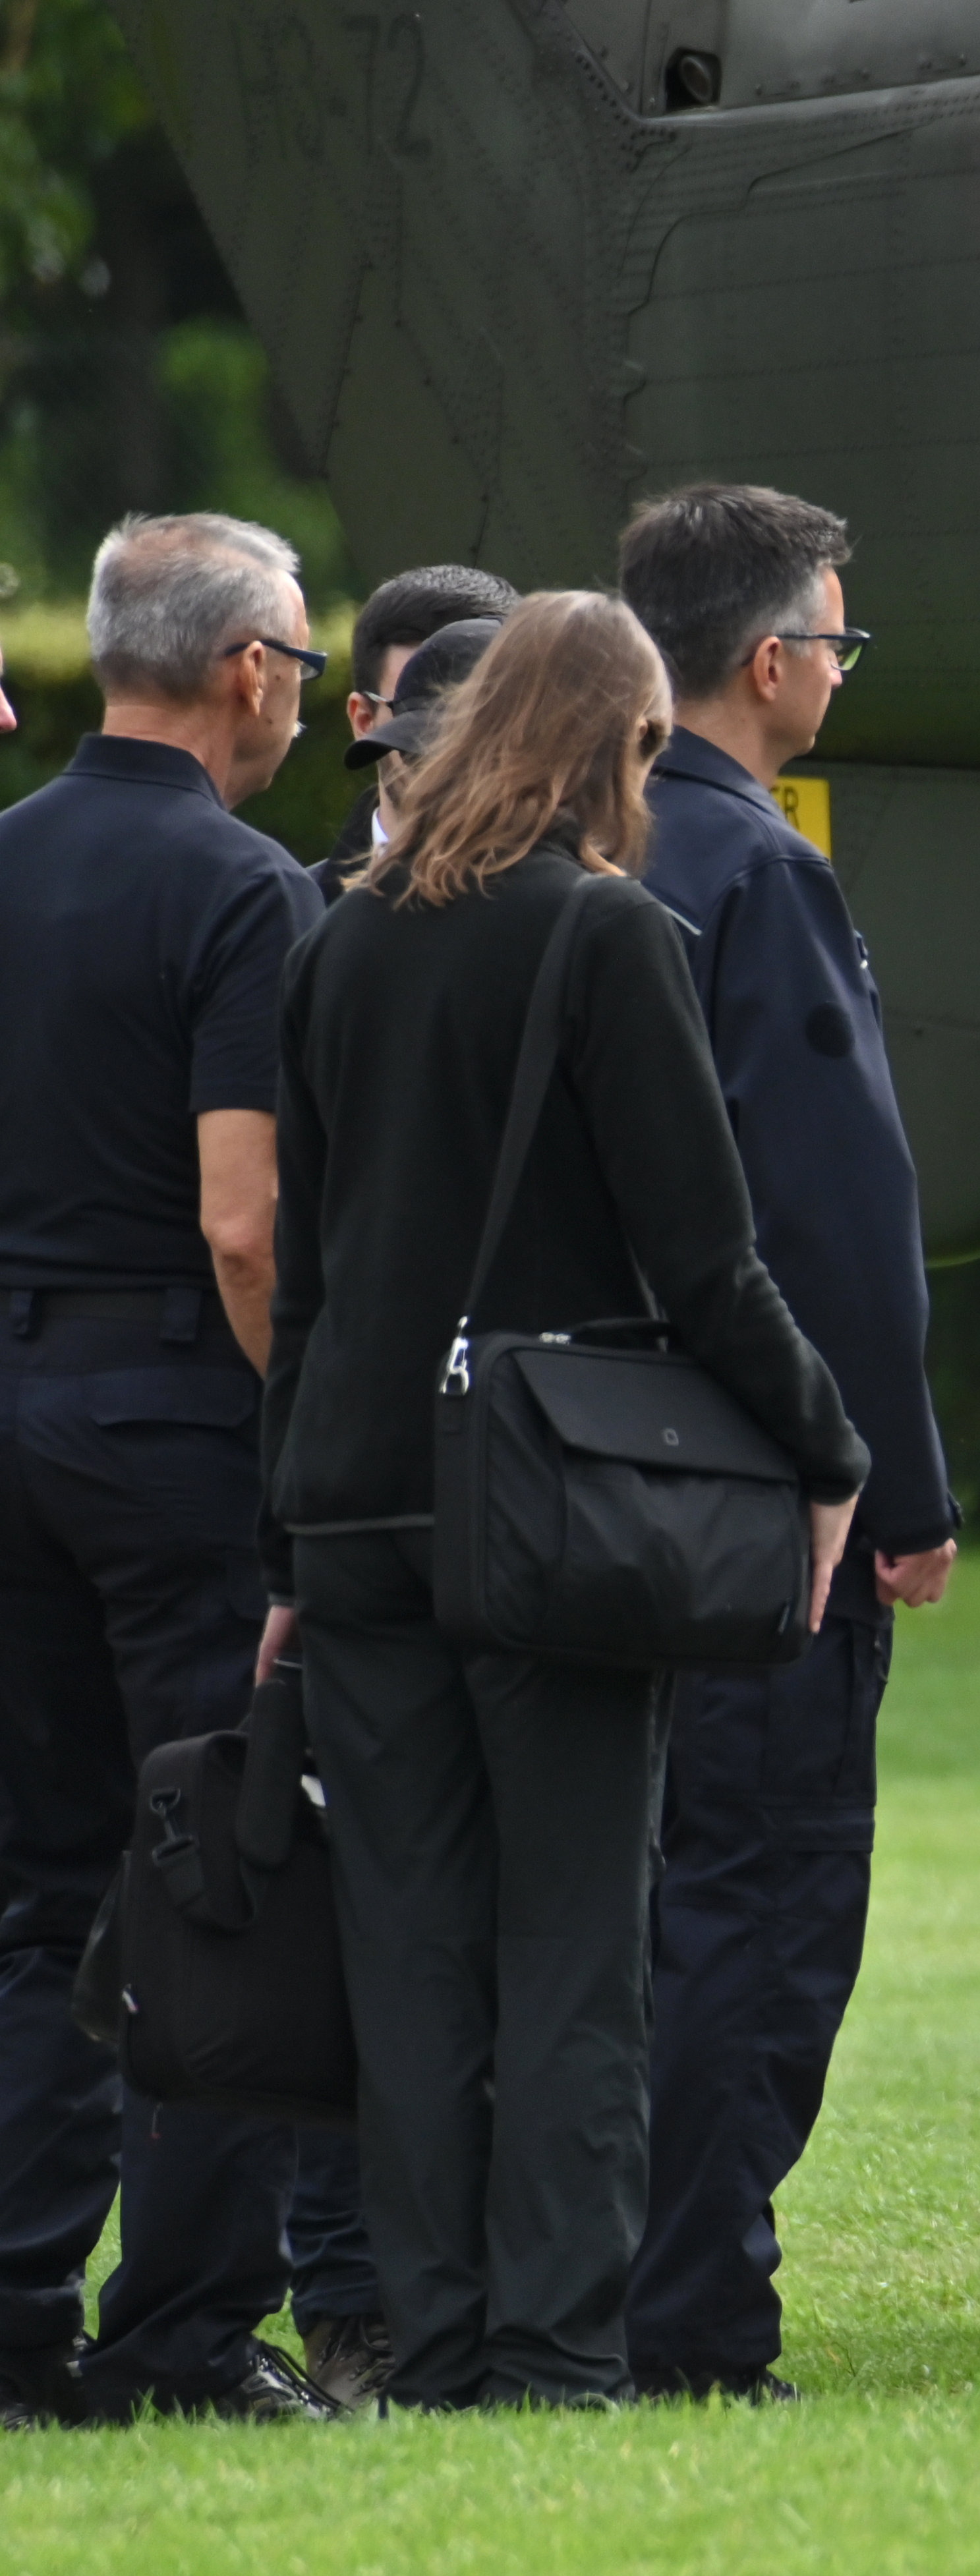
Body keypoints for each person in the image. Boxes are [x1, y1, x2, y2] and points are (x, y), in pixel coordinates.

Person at [262, 592, 871, 2410]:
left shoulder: (340, 943)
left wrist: (278, 1540)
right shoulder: (609, 935)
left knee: (412, 1952)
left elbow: (308, 1278)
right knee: (575, 1951)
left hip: (355, 1512)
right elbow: (707, 1258)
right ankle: (553, 2346)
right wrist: (828, 1449)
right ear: (617, 746)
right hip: (545, 1511)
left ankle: (435, 2341)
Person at [0, 513, 345, 2425]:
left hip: (9, 1395)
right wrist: (300, 1446)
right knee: (225, 1864)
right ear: (243, 672)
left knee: (41, 1883)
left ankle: (10, 2303)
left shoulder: (6, 862)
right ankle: (192, 2332)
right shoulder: (242, 894)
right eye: (298, 661)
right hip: (167, 1423)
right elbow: (242, 1225)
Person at [614, 482, 954, 2402]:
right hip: (754, 1497)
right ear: (767, 660)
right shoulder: (759, 871)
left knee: (614, 1899)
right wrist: (893, 1482)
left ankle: (569, 2289)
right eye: (837, 634)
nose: (839, 663)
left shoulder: (567, 847)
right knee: (762, 1896)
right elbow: (838, 1207)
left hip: (566, 1471)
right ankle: (697, 2316)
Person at [312, 565, 518, 896]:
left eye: (485, 715)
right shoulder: (296, 913)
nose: (457, 748)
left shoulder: (582, 911)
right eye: (420, 714)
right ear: (364, 721)